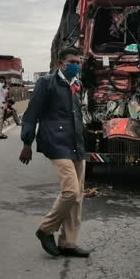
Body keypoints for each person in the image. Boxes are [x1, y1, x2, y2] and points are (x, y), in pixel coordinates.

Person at [19, 47, 90, 258]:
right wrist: (27, 142)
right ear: (60, 63)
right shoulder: (46, 83)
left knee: (78, 197)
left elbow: (78, 115)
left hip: (76, 143)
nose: (76, 65)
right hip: (56, 142)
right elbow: (32, 113)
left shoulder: (77, 84)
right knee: (71, 191)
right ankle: (46, 229)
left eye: (78, 61)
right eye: (72, 61)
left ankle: (68, 243)